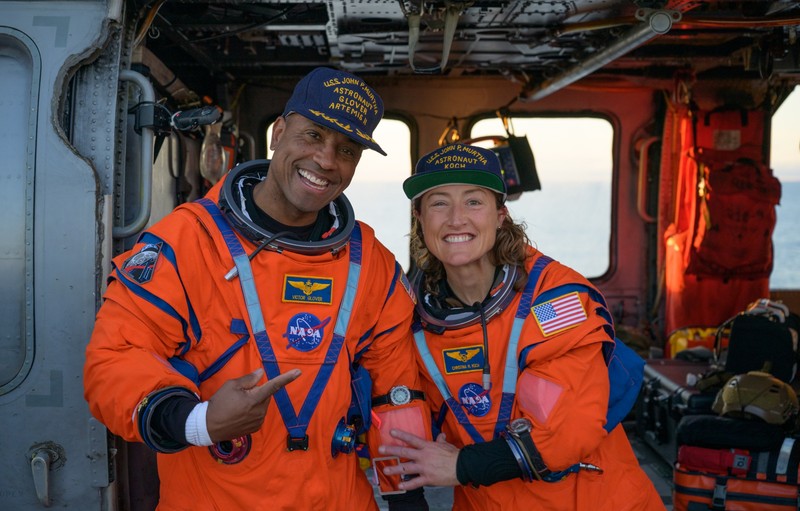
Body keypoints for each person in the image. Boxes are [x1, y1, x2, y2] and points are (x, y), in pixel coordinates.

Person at [83, 67, 431, 511]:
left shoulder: (370, 261)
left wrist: (408, 498)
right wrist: (199, 421)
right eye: (312, 135)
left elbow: (396, 390)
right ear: (279, 132)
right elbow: (113, 360)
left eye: (346, 149)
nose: (326, 160)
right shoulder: (187, 242)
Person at [377, 143, 665, 510]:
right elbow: (398, 414)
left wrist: (463, 465)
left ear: (500, 215)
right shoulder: (412, 319)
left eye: (474, 201)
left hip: (590, 498)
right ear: (419, 216)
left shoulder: (554, 297)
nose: (455, 218)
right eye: (438, 203)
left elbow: (569, 428)